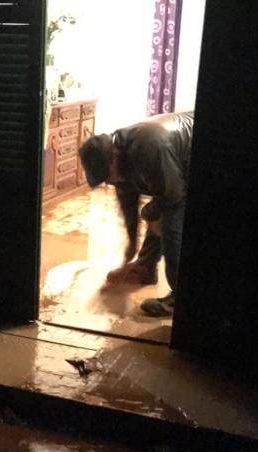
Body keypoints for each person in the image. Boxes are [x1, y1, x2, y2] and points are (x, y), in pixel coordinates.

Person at [79, 112, 194, 317]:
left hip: (195, 156)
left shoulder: (149, 147)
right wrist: (131, 247)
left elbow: (173, 196)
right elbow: (129, 208)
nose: (108, 182)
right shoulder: (116, 166)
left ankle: (179, 298)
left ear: (113, 157)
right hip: (171, 174)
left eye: (106, 176)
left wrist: (149, 212)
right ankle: (146, 268)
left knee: (170, 225)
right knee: (156, 214)